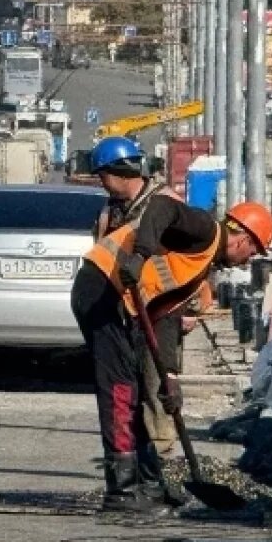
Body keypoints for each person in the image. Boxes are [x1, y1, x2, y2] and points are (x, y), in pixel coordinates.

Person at [72, 196, 272, 514]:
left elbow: (164, 317)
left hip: (118, 301)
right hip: (101, 288)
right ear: (243, 238)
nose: (248, 261)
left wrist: (169, 376)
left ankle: (149, 482)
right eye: (253, 252)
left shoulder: (199, 267)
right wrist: (139, 256)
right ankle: (121, 492)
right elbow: (161, 207)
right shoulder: (205, 230)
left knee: (136, 391)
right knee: (120, 391)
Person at [89, 136, 184, 459]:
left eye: (103, 176)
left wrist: (191, 307)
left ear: (120, 171)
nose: (102, 184)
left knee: (157, 388)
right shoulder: (110, 213)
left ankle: (161, 461)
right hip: (124, 312)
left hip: (159, 309)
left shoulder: (165, 202)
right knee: (127, 389)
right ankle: (138, 458)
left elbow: (188, 257)